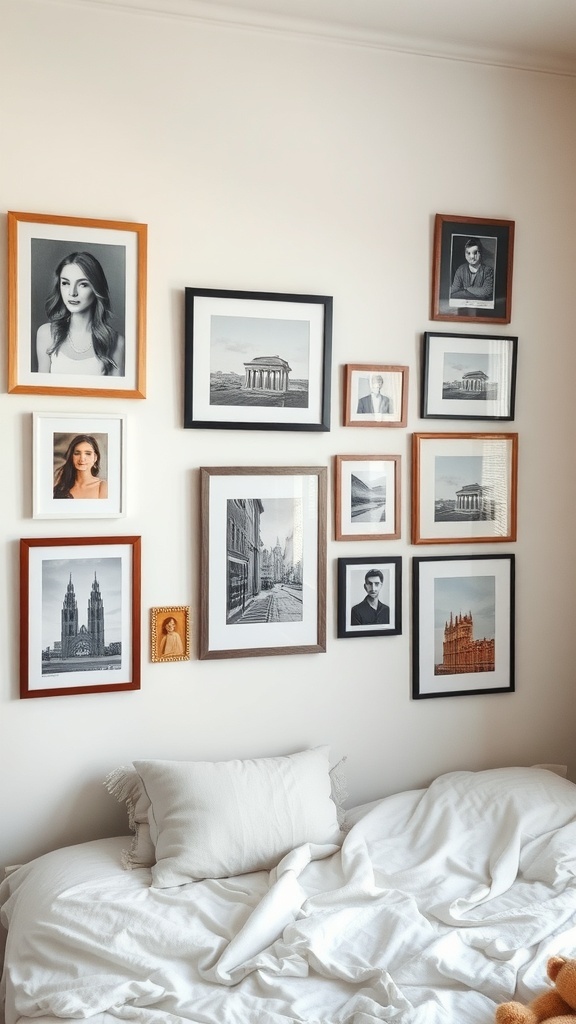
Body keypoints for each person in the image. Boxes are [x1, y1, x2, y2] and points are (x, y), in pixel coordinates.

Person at [36, 251, 125, 375]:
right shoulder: (46, 334)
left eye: (83, 284)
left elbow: (117, 394)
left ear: (96, 288)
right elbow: (39, 391)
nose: (72, 293)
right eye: (65, 283)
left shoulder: (116, 342)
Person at [53, 434, 108, 499]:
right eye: (77, 453)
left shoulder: (103, 486)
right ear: (71, 457)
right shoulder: (61, 488)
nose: (82, 458)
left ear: (95, 458)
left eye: (88, 453)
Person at [450, 237, 494, 302]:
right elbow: (454, 290)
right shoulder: (461, 269)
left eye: (475, 253)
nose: (472, 256)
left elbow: (486, 292)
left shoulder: (488, 271)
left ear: (480, 253)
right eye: (468, 253)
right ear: (465, 254)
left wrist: (467, 289)